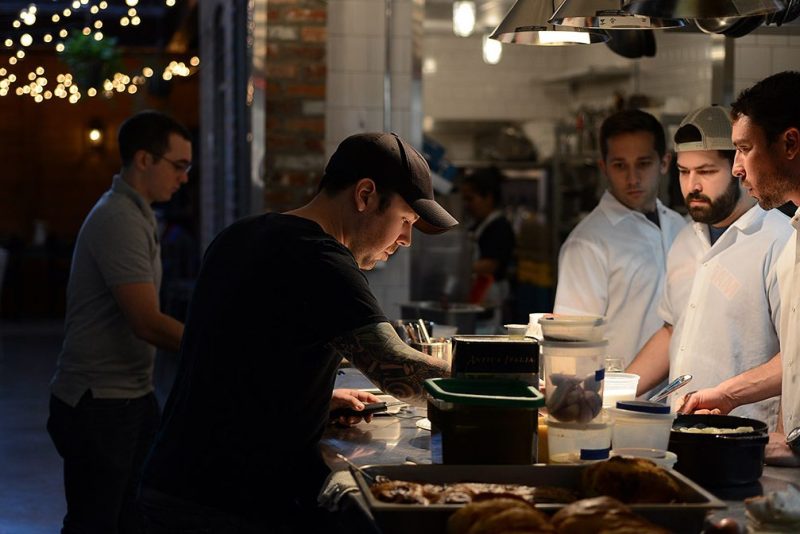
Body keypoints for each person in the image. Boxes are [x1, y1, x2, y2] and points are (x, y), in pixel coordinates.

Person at [138, 132, 459, 532]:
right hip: (221, 505)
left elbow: (235, 363)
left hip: (173, 482)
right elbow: (396, 365)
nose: (406, 240)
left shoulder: (241, 235)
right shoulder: (321, 259)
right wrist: (505, 384)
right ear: (365, 195)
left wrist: (312, 400)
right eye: (406, 220)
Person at [47, 110, 191, 534]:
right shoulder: (119, 218)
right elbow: (146, 323)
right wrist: (213, 346)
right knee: (96, 524)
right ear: (144, 159)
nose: (184, 178)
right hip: (99, 403)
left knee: (132, 519)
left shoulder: (138, 211)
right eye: (178, 166)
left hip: (129, 395)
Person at [626, 106, 790, 429]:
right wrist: (612, 388)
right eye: (684, 172)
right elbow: (673, 330)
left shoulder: (780, 240)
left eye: (706, 171)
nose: (693, 185)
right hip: (679, 431)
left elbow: (794, 357)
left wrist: (785, 439)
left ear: (738, 168)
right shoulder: (686, 240)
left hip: (745, 437)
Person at [680, 71, 800, 465]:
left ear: (789, 144)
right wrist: (729, 394)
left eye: (745, 149)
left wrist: (790, 440)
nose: (737, 168)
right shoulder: (795, 240)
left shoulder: (779, 237)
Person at [554, 109, 686, 366]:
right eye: (620, 165)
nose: (632, 178)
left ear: (665, 163)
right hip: (618, 400)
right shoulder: (587, 244)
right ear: (604, 167)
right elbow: (572, 344)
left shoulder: (679, 226)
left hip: (679, 397)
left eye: (643, 163)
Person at [461, 167, 516, 332]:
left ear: (488, 197)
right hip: (478, 300)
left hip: (491, 302)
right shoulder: (477, 225)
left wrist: (456, 268)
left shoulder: (499, 227)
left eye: (471, 199)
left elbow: (490, 265)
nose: (467, 205)